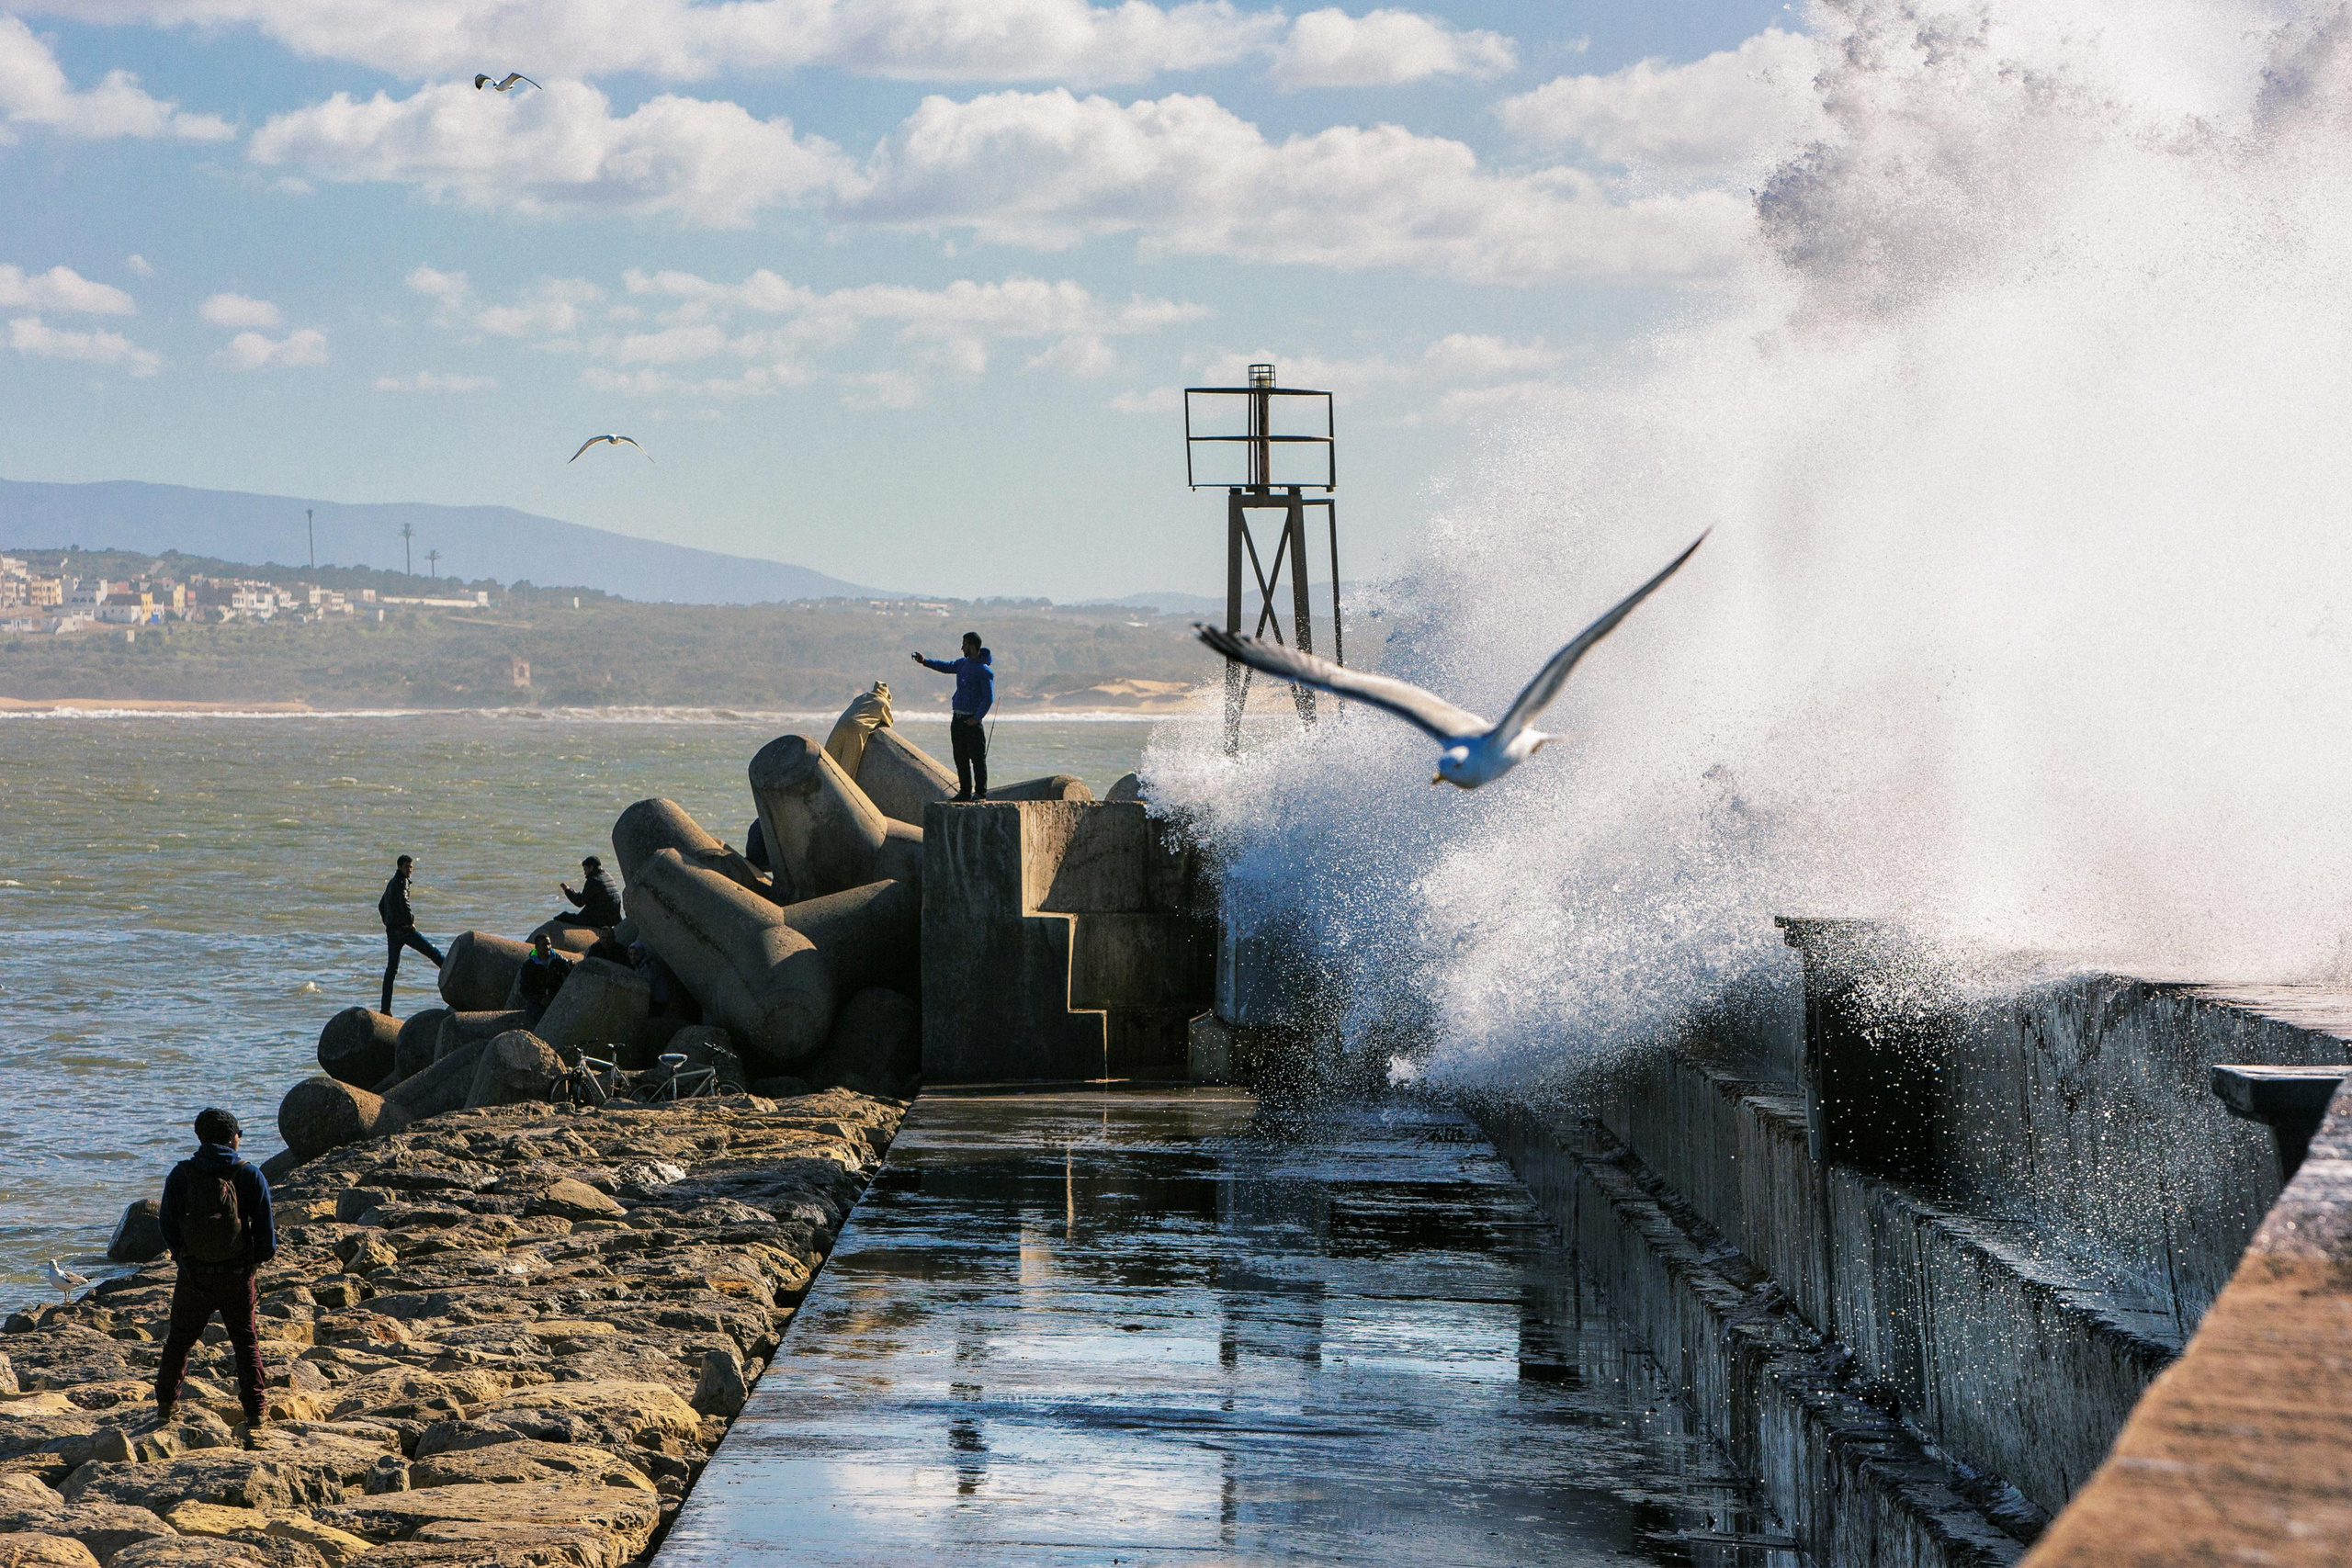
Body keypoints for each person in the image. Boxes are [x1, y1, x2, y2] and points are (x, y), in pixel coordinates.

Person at [155, 1108, 277, 1444]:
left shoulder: (181, 1175)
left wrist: (183, 1256)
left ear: (200, 1138)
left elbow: (166, 1225)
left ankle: (166, 1406)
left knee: (179, 1341)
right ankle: (255, 1413)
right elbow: (267, 1236)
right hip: (237, 1275)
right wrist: (252, 1262)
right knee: (246, 1342)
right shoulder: (249, 1174)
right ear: (231, 1137)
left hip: (194, 1275)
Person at [912, 631, 994, 801]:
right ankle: (964, 793)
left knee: (977, 759)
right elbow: (946, 666)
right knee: (960, 758)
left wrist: (977, 718)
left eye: (964, 644)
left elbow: (989, 698)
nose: (961, 647)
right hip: (957, 719)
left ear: (971, 646)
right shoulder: (962, 663)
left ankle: (980, 793)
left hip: (972, 721)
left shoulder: (984, 671)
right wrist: (925, 662)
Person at [378, 854, 444, 1012]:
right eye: (407, 867)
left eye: (411, 867)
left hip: (392, 932)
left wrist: (388, 923)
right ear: (400, 867)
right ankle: (452, 973)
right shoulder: (402, 882)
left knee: (391, 970)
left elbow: (381, 906)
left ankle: (385, 1009)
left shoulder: (392, 882)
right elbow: (404, 901)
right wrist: (410, 921)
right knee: (432, 952)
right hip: (403, 930)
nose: (410, 870)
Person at [554, 854, 624, 930]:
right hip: (614, 918)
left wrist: (567, 890)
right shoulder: (608, 876)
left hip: (601, 920)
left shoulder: (593, 880)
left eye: (585, 870)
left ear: (591, 867)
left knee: (563, 916)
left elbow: (579, 902)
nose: (585, 873)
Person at [516, 931, 571, 1023]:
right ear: (537, 947)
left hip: (555, 998)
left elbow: (569, 973)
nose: (548, 947)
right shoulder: (529, 965)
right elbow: (524, 989)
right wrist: (540, 1000)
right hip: (537, 1001)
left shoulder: (558, 960)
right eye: (544, 945)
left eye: (549, 944)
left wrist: (571, 965)